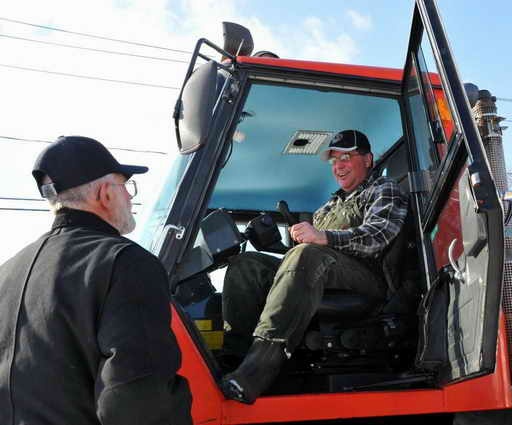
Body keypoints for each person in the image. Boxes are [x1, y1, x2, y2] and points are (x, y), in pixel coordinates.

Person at [0, 136, 193, 425]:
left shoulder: (8, 272)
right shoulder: (126, 263)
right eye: (125, 186)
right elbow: (137, 397)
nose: (129, 197)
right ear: (104, 193)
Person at [221, 129, 408, 404]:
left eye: (346, 157)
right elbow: (302, 263)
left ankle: (259, 369)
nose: (339, 166)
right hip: (325, 271)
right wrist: (280, 248)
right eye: (334, 160)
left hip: (368, 279)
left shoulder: (383, 189)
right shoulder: (327, 208)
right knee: (247, 265)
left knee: (307, 255)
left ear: (368, 160)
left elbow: (377, 237)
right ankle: (235, 362)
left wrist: (322, 236)